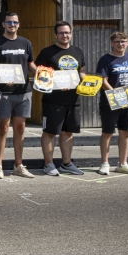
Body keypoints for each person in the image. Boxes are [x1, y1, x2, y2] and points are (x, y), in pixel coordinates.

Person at [0, 12, 36, 179]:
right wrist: (2, 79)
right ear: (3, 24)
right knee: (3, 128)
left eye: (15, 22)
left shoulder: (26, 42)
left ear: (18, 24)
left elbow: (30, 63)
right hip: (4, 93)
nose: (12, 25)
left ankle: (18, 165)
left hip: (24, 92)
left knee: (20, 129)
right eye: (9, 22)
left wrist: (42, 74)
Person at [35, 21, 86, 176]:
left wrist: (87, 81)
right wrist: (55, 82)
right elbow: (38, 72)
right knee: (50, 132)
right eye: (62, 33)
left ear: (71, 33)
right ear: (56, 35)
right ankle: (48, 164)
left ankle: (66, 163)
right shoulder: (47, 52)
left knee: (68, 132)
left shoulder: (78, 51)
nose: (65, 35)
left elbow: (82, 71)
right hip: (53, 100)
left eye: (67, 32)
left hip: (73, 99)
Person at [96, 32, 128, 176]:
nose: (120, 44)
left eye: (123, 41)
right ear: (112, 43)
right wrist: (118, 97)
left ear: (127, 43)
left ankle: (123, 164)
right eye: (117, 42)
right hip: (111, 100)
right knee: (107, 132)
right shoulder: (105, 59)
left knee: (125, 132)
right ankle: (104, 164)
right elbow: (103, 81)